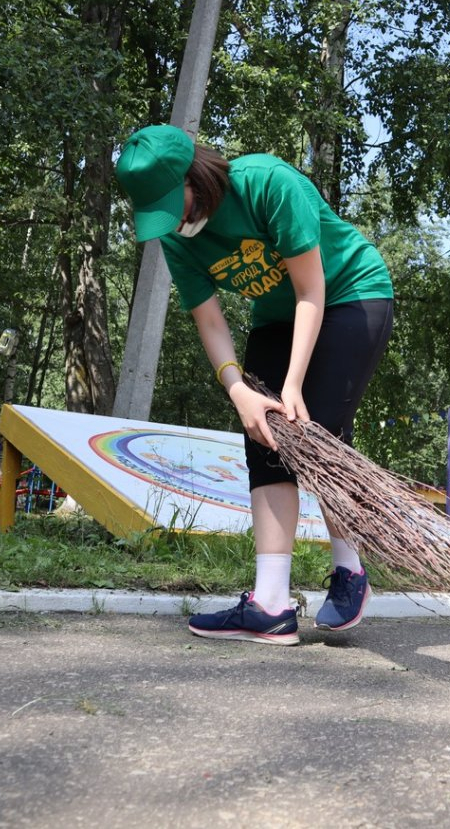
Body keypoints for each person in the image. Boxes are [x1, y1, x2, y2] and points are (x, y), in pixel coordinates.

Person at [116, 125, 394, 645]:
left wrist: (291, 384)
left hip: (351, 294)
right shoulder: (175, 236)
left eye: (171, 204)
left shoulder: (267, 182)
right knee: (263, 436)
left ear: (193, 175)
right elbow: (211, 321)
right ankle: (269, 604)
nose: (171, 221)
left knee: (320, 430)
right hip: (275, 318)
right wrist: (237, 388)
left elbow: (312, 288)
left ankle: (351, 569)